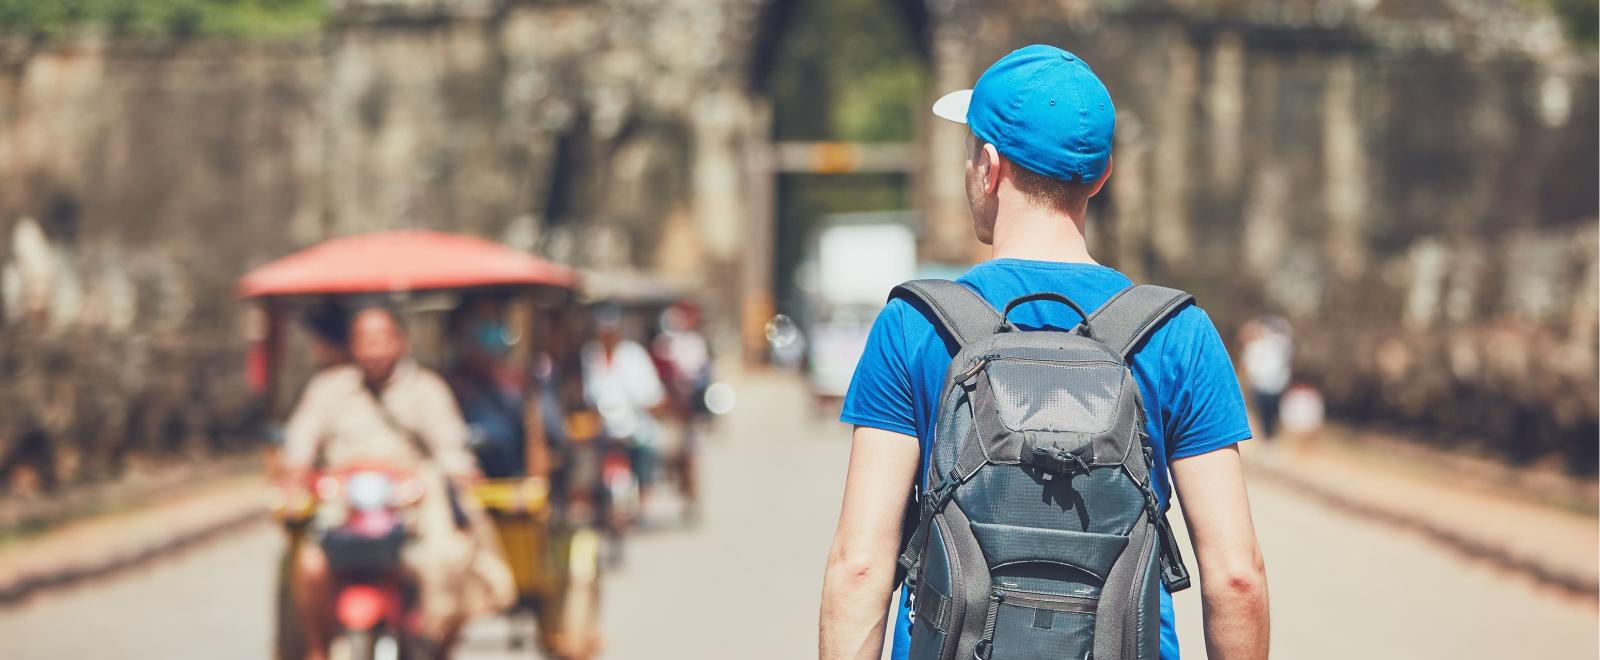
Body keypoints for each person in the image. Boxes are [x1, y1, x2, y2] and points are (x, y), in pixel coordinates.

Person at [820, 45, 1270, 660]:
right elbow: (1237, 577)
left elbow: (861, 566)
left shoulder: (914, 325)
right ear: (1101, 176)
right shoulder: (1177, 332)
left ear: (989, 165)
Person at [283, 305, 514, 660]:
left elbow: (449, 443)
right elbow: (302, 435)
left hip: (410, 509)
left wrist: (459, 471)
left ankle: (435, 640)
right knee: (310, 565)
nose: (373, 349)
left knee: (449, 560)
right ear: (352, 346)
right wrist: (295, 472)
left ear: (401, 343)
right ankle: (317, 650)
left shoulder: (427, 389)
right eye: (364, 340)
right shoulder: (329, 389)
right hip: (346, 508)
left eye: (381, 339)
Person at [580, 305, 666, 512]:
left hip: (634, 424)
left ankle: (644, 489)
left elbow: (652, 392)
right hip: (603, 426)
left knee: (647, 448)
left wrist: (646, 404)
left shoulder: (633, 355)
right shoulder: (590, 355)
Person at [1240, 315, 1293, 439]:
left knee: (1272, 417)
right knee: (1264, 418)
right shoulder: (1253, 347)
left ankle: (1270, 438)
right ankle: (1267, 439)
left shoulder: (1277, 343)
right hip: (1261, 387)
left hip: (1275, 386)